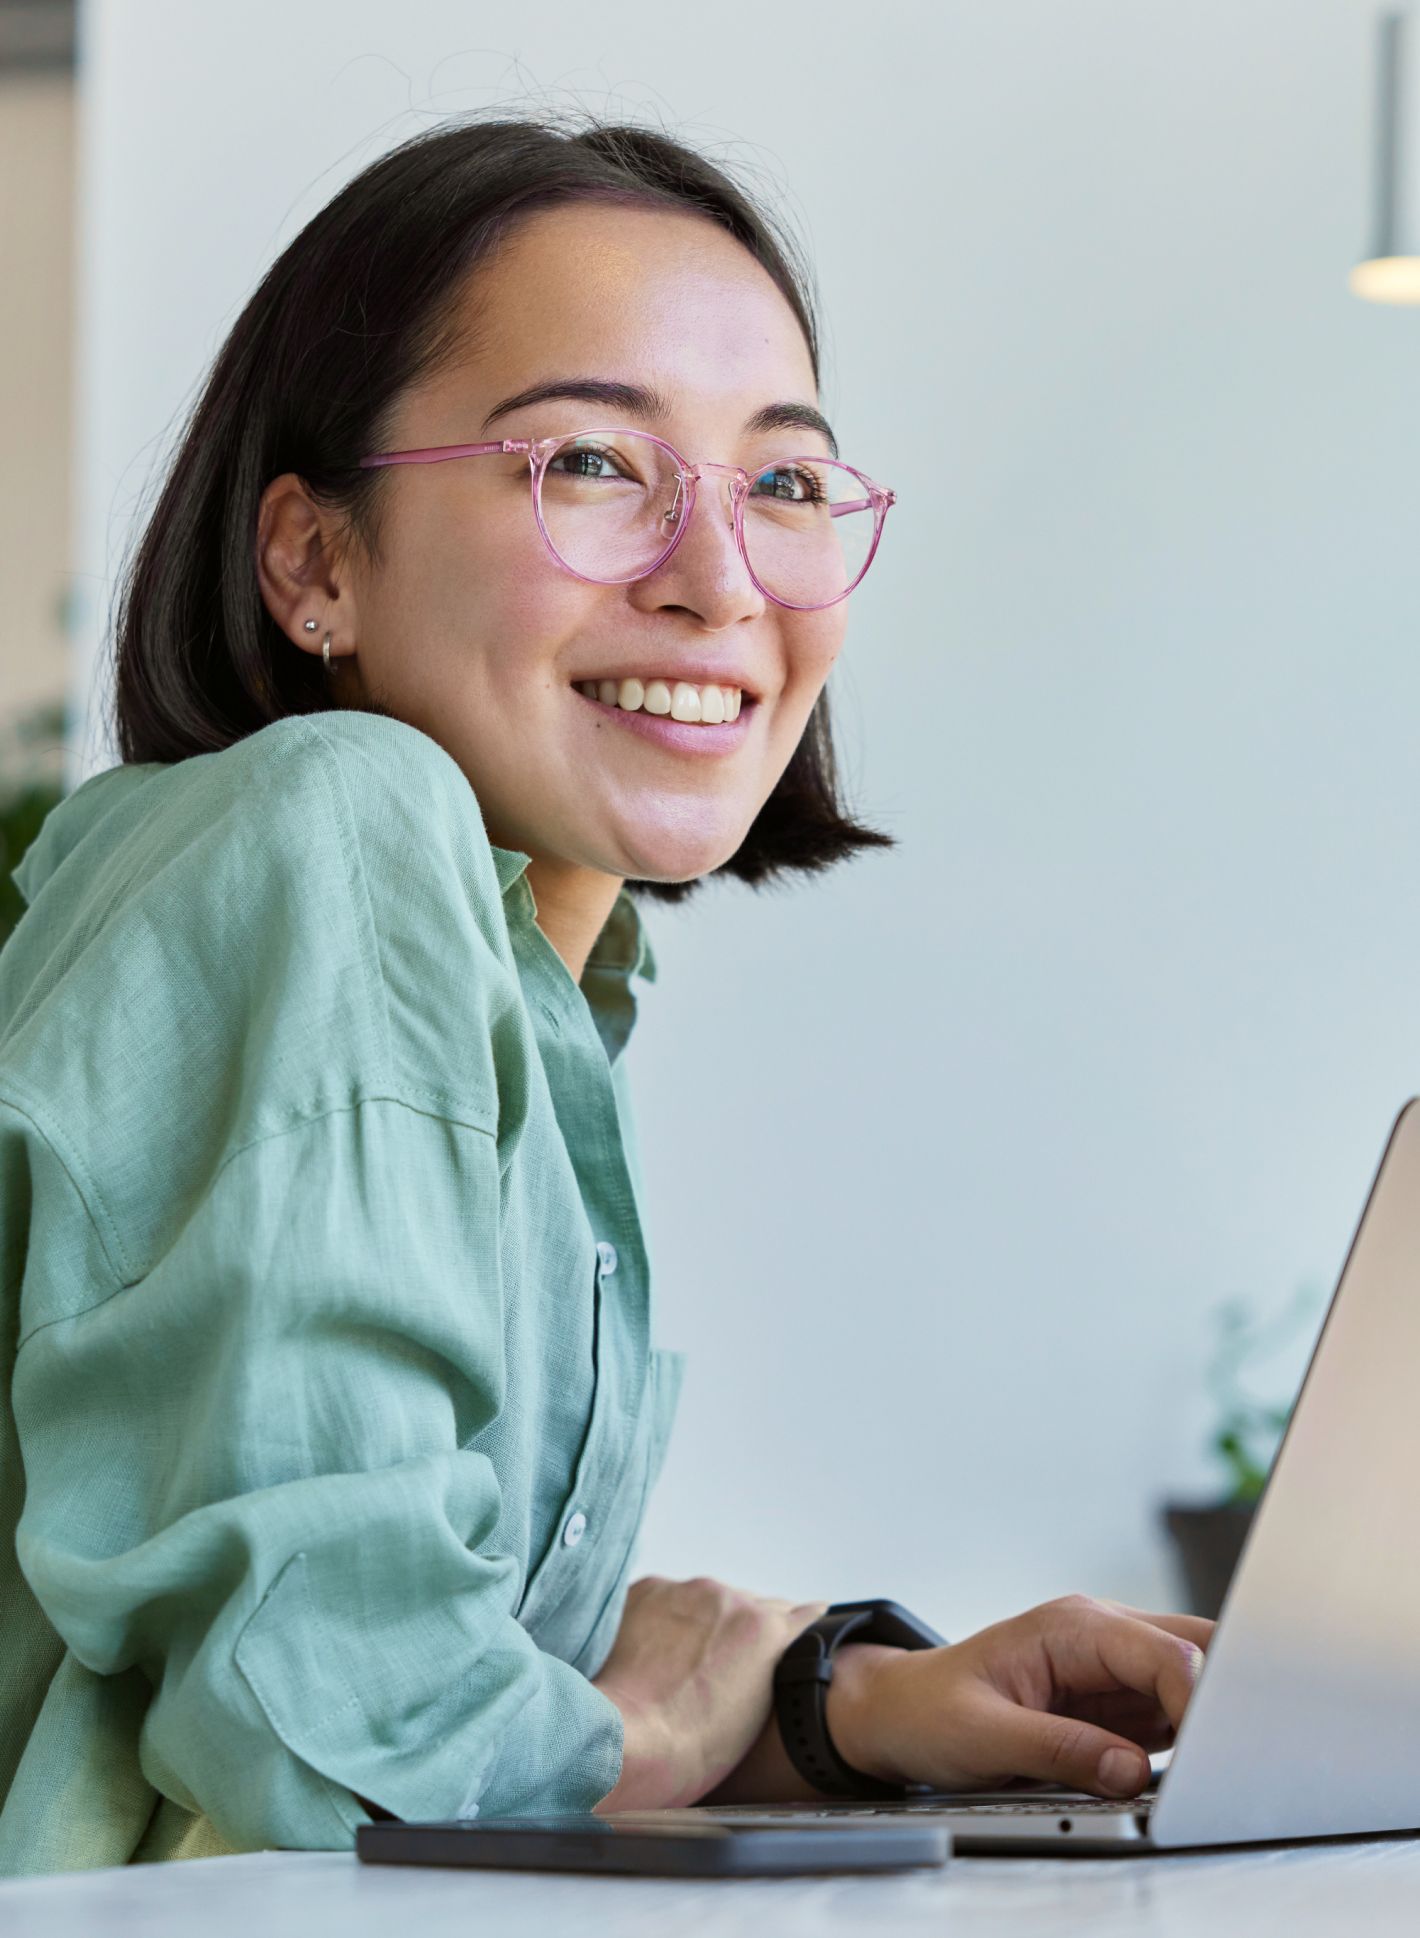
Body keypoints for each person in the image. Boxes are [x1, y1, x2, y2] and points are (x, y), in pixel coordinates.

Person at [0, 109, 1211, 1876]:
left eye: (783, 482)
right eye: (589, 463)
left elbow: (373, 1611)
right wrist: (676, 1721)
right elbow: (339, 1728)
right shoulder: (335, 825)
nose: (719, 581)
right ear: (314, 561)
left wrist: (824, 1700)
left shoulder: (541, 978)